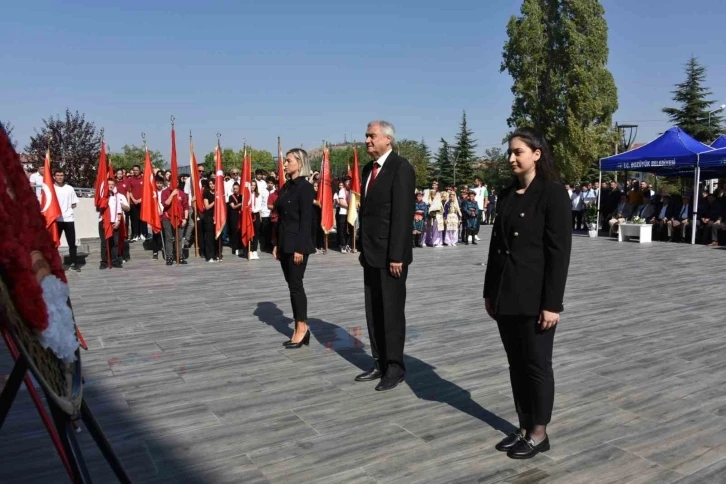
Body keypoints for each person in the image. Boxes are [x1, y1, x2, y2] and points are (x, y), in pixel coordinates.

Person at [484, 127, 572, 459]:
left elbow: (559, 253)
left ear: (536, 154)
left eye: (518, 152)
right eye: (509, 152)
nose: (511, 158)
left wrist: (552, 304)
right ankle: (523, 427)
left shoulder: (552, 193)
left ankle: (539, 432)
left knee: (536, 365)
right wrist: (489, 291)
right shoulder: (507, 194)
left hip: (535, 298)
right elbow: (496, 247)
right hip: (506, 294)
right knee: (516, 364)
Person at [356, 120, 415, 392]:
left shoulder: (401, 168)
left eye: (372, 136)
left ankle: (395, 367)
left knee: (391, 313)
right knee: (374, 311)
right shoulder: (368, 169)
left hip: (391, 257)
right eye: (366, 136)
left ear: (388, 139)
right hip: (370, 254)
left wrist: (397, 255)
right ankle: (379, 362)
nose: (367, 140)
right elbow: (367, 213)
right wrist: (361, 247)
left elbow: (402, 215)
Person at [273, 148, 315, 348]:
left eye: (289, 161)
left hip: (297, 245)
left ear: (300, 163)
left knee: (296, 286)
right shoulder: (286, 186)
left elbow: (306, 220)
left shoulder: (305, 187)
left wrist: (300, 248)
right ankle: (301, 327)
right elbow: (280, 216)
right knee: (292, 285)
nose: (285, 164)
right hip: (284, 242)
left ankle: (301, 328)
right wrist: (276, 243)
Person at [53, 169, 81, 272]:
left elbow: (74, 204)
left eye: (61, 175)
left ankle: (74, 263)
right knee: (54, 243)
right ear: (54, 177)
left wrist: (66, 209)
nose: (60, 177)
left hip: (68, 219)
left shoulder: (69, 188)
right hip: (56, 220)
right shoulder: (51, 188)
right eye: (58, 175)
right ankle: (54, 264)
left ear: (64, 176)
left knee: (72, 243)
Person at [160, 178, 190, 265]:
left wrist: (185, 218)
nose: (175, 183)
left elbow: (186, 207)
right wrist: (172, 194)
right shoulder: (165, 192)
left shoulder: (182, 193)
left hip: (179, 219)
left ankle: (179, 256)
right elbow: (165, 204)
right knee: (169, 238)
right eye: (173, 181)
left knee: (179, 238)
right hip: (167, 218)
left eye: (177, 182)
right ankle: (169, 257)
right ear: (169, 182)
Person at [98, 178, 124, 269]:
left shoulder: (116, 196)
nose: (111, 186)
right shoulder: (102, 196)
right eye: (109, 184)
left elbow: (119, 211)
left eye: (112, 184)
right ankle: (104, 262)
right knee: (104, 243)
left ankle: (114, 261)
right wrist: (105, 198)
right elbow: (99, 207)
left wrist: (118, 221)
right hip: (104, 222)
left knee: (115, 243)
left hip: (114, 222)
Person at [126, 164, 146, 240]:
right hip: (133, 202)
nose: (135, 171)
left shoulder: (144, 179)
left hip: (142, 202)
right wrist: (134, 200)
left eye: (136, 170)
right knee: (134, 219)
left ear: (139, 170)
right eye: (134, 170)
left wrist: (141, 199)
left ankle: (143, 233)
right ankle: (135, 234)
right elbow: (129, 191)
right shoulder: (130, 179)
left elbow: (146, 191)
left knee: (143, 219)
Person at [203, 178, 219, 262]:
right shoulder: (206, 193)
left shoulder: (218, 193)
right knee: (209, 237)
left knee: (217, 236)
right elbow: (207, 207)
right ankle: (209, 256)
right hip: (209, 217)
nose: (212, 185)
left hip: (217, 217)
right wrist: (215, 201)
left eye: (213, 183)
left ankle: (217, 254)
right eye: (210, 184)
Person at [227, 183, 242, 256]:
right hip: (234, 215)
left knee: (240, 232)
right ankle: (235, 248)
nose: (235, 190)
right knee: (234, 232)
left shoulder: (242, 196)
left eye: (236, 188)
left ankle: (241, 247)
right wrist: (240, 204)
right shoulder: (231, 197)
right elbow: (233, 207)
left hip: (241, 215)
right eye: (234, 189)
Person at [311, 181, 324, 254]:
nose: (316, 187)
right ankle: (314, 247)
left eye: (317, 186)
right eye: (315, 186)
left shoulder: (320, 193)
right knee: (314, 232)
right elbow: (314, 201)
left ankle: (319, 246)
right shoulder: (310, 193)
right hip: (313, 215)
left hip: (320, 214)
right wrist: (320, 204)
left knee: (320, 230)